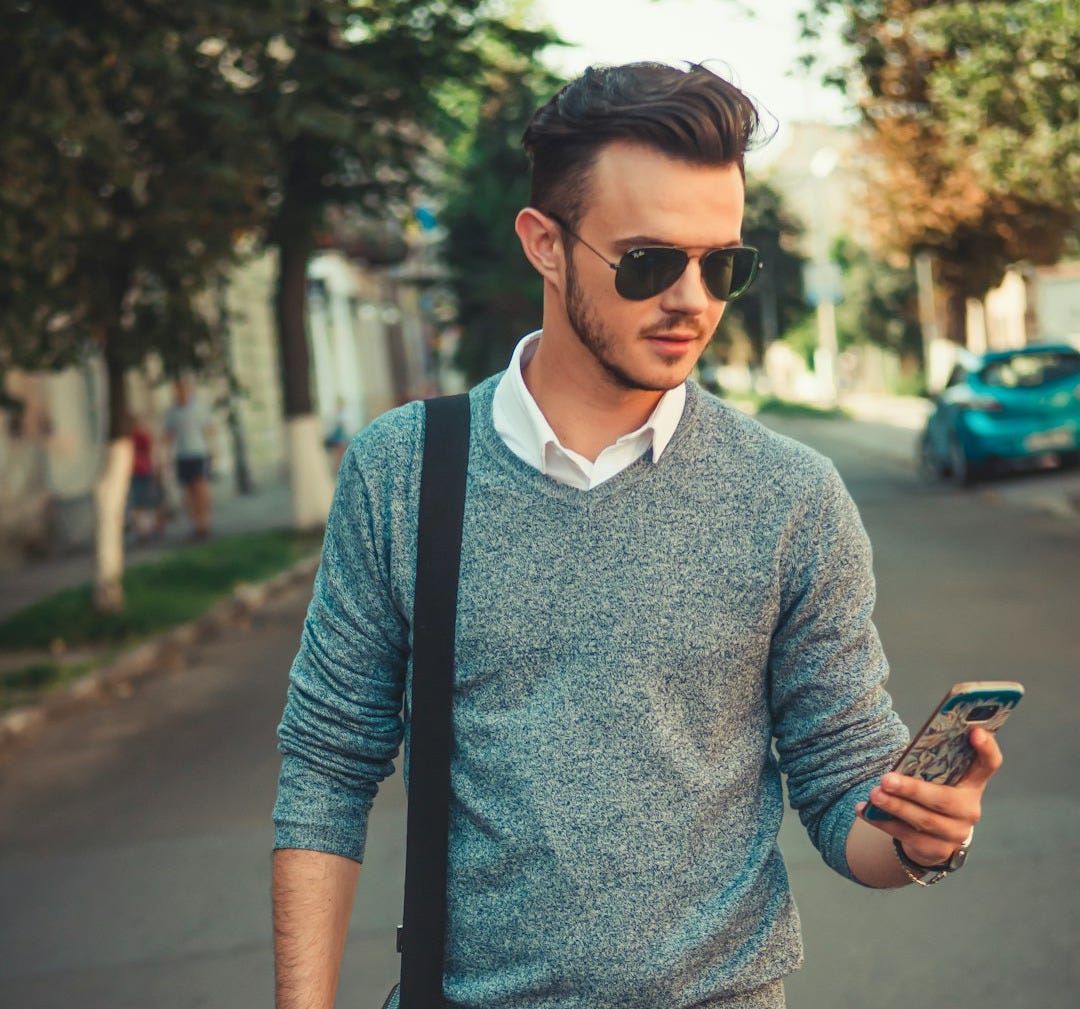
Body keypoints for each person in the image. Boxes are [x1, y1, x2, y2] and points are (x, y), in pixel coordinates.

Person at [272, 63, 1003, 1009]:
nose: (693, 300)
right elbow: (327, 769)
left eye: (723, 264)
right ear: (545, 244)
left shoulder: (790, 495)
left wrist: (922, 835)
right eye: (651, 261)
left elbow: (843, 794)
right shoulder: (406, 471)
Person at [163, 378, 214, 540]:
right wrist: (164, 456)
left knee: (201, 488)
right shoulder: (172, 412)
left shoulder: (198, 408)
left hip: (198, 453)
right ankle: (195, 524)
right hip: (181, 454)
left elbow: (209, 429)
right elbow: (168, 435)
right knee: (188, 492)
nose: (180, 393)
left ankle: (205, 522)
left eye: (183, 390)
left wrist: (212, 450)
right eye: (177, 391)